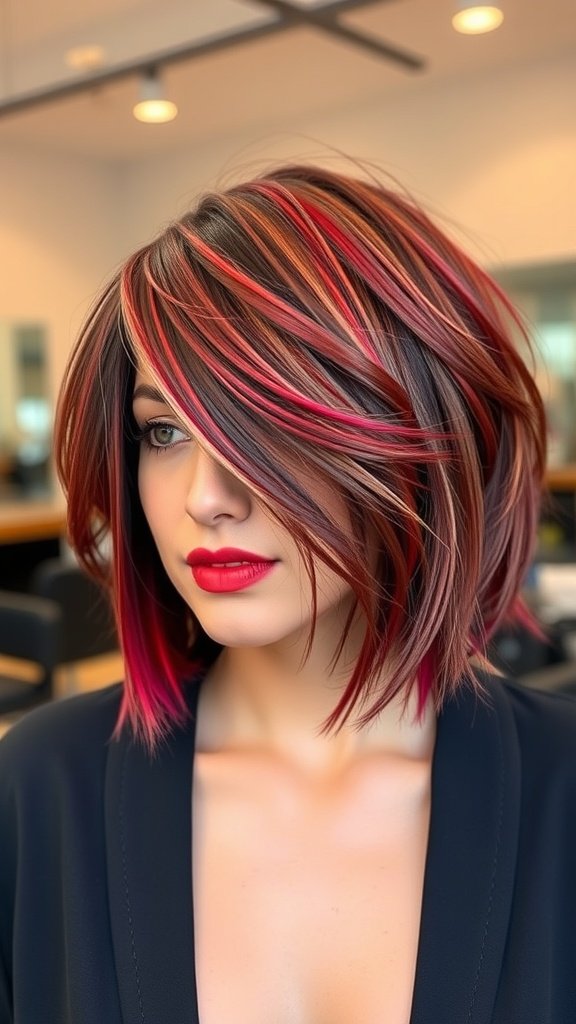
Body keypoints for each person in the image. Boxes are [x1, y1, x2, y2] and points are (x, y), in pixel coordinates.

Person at [1, 163, 575, 1024]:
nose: (204, 495)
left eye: (262, 423)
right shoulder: (41, 789)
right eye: (163, 431)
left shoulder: (561, 793)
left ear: (418, 430)